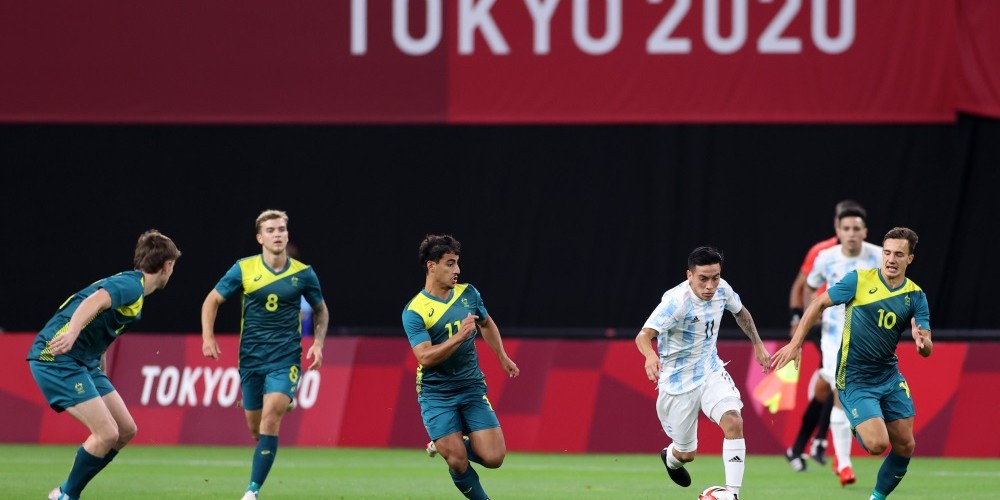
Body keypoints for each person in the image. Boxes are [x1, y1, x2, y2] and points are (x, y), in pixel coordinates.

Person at [771, 227, 932, 500]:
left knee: (905, 445)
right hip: (855, 377)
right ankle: (850, 421)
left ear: (910, 260)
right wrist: (796, 342)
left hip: (889, 377)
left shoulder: (916, 296)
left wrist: (922, 342)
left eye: (899, 255)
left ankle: (876, 498)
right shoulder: (858, 280)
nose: (891, 259)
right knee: (877, 444)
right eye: (887, 253)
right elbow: (818, 304)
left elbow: (927, 346)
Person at [27, 230, 181, 500]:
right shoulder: (132, 286)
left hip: (85, 363)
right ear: (168, 265)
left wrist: (101, 367)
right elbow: (95, 300)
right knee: (107, 433)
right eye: (174, 265)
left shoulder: (134, 289)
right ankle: (65, 495)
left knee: (125, 430)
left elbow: (103, 325)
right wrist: (73, 331)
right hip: (56, 357)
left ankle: (66, 491)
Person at [201, 209, 329, 500]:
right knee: (257, 428)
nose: (277, 234)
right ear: (260, 237)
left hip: (285, 357)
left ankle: (252, 491)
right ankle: (281, 401)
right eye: (271, 230)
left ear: (287, 234)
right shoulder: (243, 269)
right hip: (251, 359)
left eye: (281, 229)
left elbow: (321, 309)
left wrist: (318, 343)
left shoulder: (303, 273)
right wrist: (208, 337)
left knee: (271, 418)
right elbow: (212, 300)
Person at [635, 246, 771, 499]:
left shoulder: (723, 290)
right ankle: (671, 458)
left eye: (715, 277)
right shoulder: (675, 302)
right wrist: (650, 355)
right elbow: (644, 336)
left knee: (733, 420)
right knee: (687, 454)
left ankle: (733, 494)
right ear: (689, 276)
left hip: (710, 370)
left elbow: (741, 312)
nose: (710, 285)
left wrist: (758, 344)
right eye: (703, 279)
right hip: (678, 382)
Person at [401, 234, 519, 500]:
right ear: (431, 266)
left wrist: (501, 355)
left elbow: (486, 323)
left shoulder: (468, 293)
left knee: (494, 458)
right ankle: (450, 447)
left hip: (470, 386)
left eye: (457, 264)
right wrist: (459, 336)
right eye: (450, 264)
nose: (457, 270)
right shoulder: (415, 311)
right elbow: (425, 357)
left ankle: (445, 442)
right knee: (457, 460)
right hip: (436, 393)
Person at [786, 199, 862, 471]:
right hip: (828, 327)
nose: (850, 232)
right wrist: (803, 318)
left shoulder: (867, 254)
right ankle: (818, 442)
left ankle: (803, 445)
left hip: (854, 330)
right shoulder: (823, 251)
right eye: (845, 225)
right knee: (835, 381)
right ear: (836, 225)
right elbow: (802, 286)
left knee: (825, 386)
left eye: (855, 227)